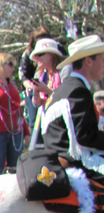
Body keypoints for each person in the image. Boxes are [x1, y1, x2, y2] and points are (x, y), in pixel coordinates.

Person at [38, 35, 104, 171]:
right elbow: (84, 137)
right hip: (73, 162)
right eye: (102, 59)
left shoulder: (64, 89)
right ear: (88, 61)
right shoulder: (78, 91)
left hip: (59, 159)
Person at [19, 27, 52, 129]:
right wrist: (32, 86)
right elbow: (23, 75)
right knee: (35, 122)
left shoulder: (52, 51)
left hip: (49, 85)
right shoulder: (28, 54)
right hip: (33, 88)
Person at [30, 38, 64, 114]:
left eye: (40, 54)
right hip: (47, 118)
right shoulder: (40, 75)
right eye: (35, 55)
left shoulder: (63, 71)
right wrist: (36, 93)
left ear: (52, 54)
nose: (37, 58)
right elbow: (37, 104)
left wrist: (46, 90)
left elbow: (65, 98)